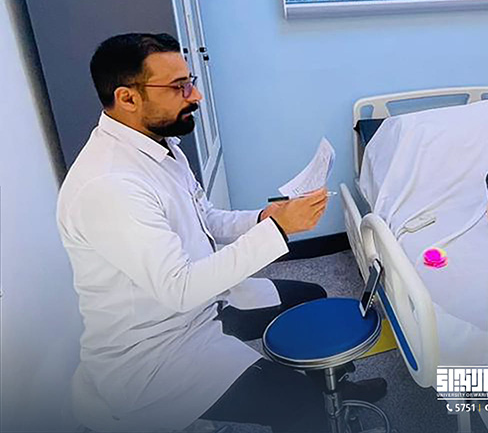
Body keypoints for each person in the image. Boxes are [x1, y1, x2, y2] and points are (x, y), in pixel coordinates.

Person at [58, 33, 384, 432]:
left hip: (206, 305)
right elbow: (179, 289)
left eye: (190, 81)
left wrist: (263, 218)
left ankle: (336, 390)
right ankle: (314, 406)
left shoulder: (160, 147)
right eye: (179, 87)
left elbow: (207, 218)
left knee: (310, 297)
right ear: (127, 98)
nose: (195, 95)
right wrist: (279, 229)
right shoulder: (110, 185)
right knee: (296, 403)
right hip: (157, 353)